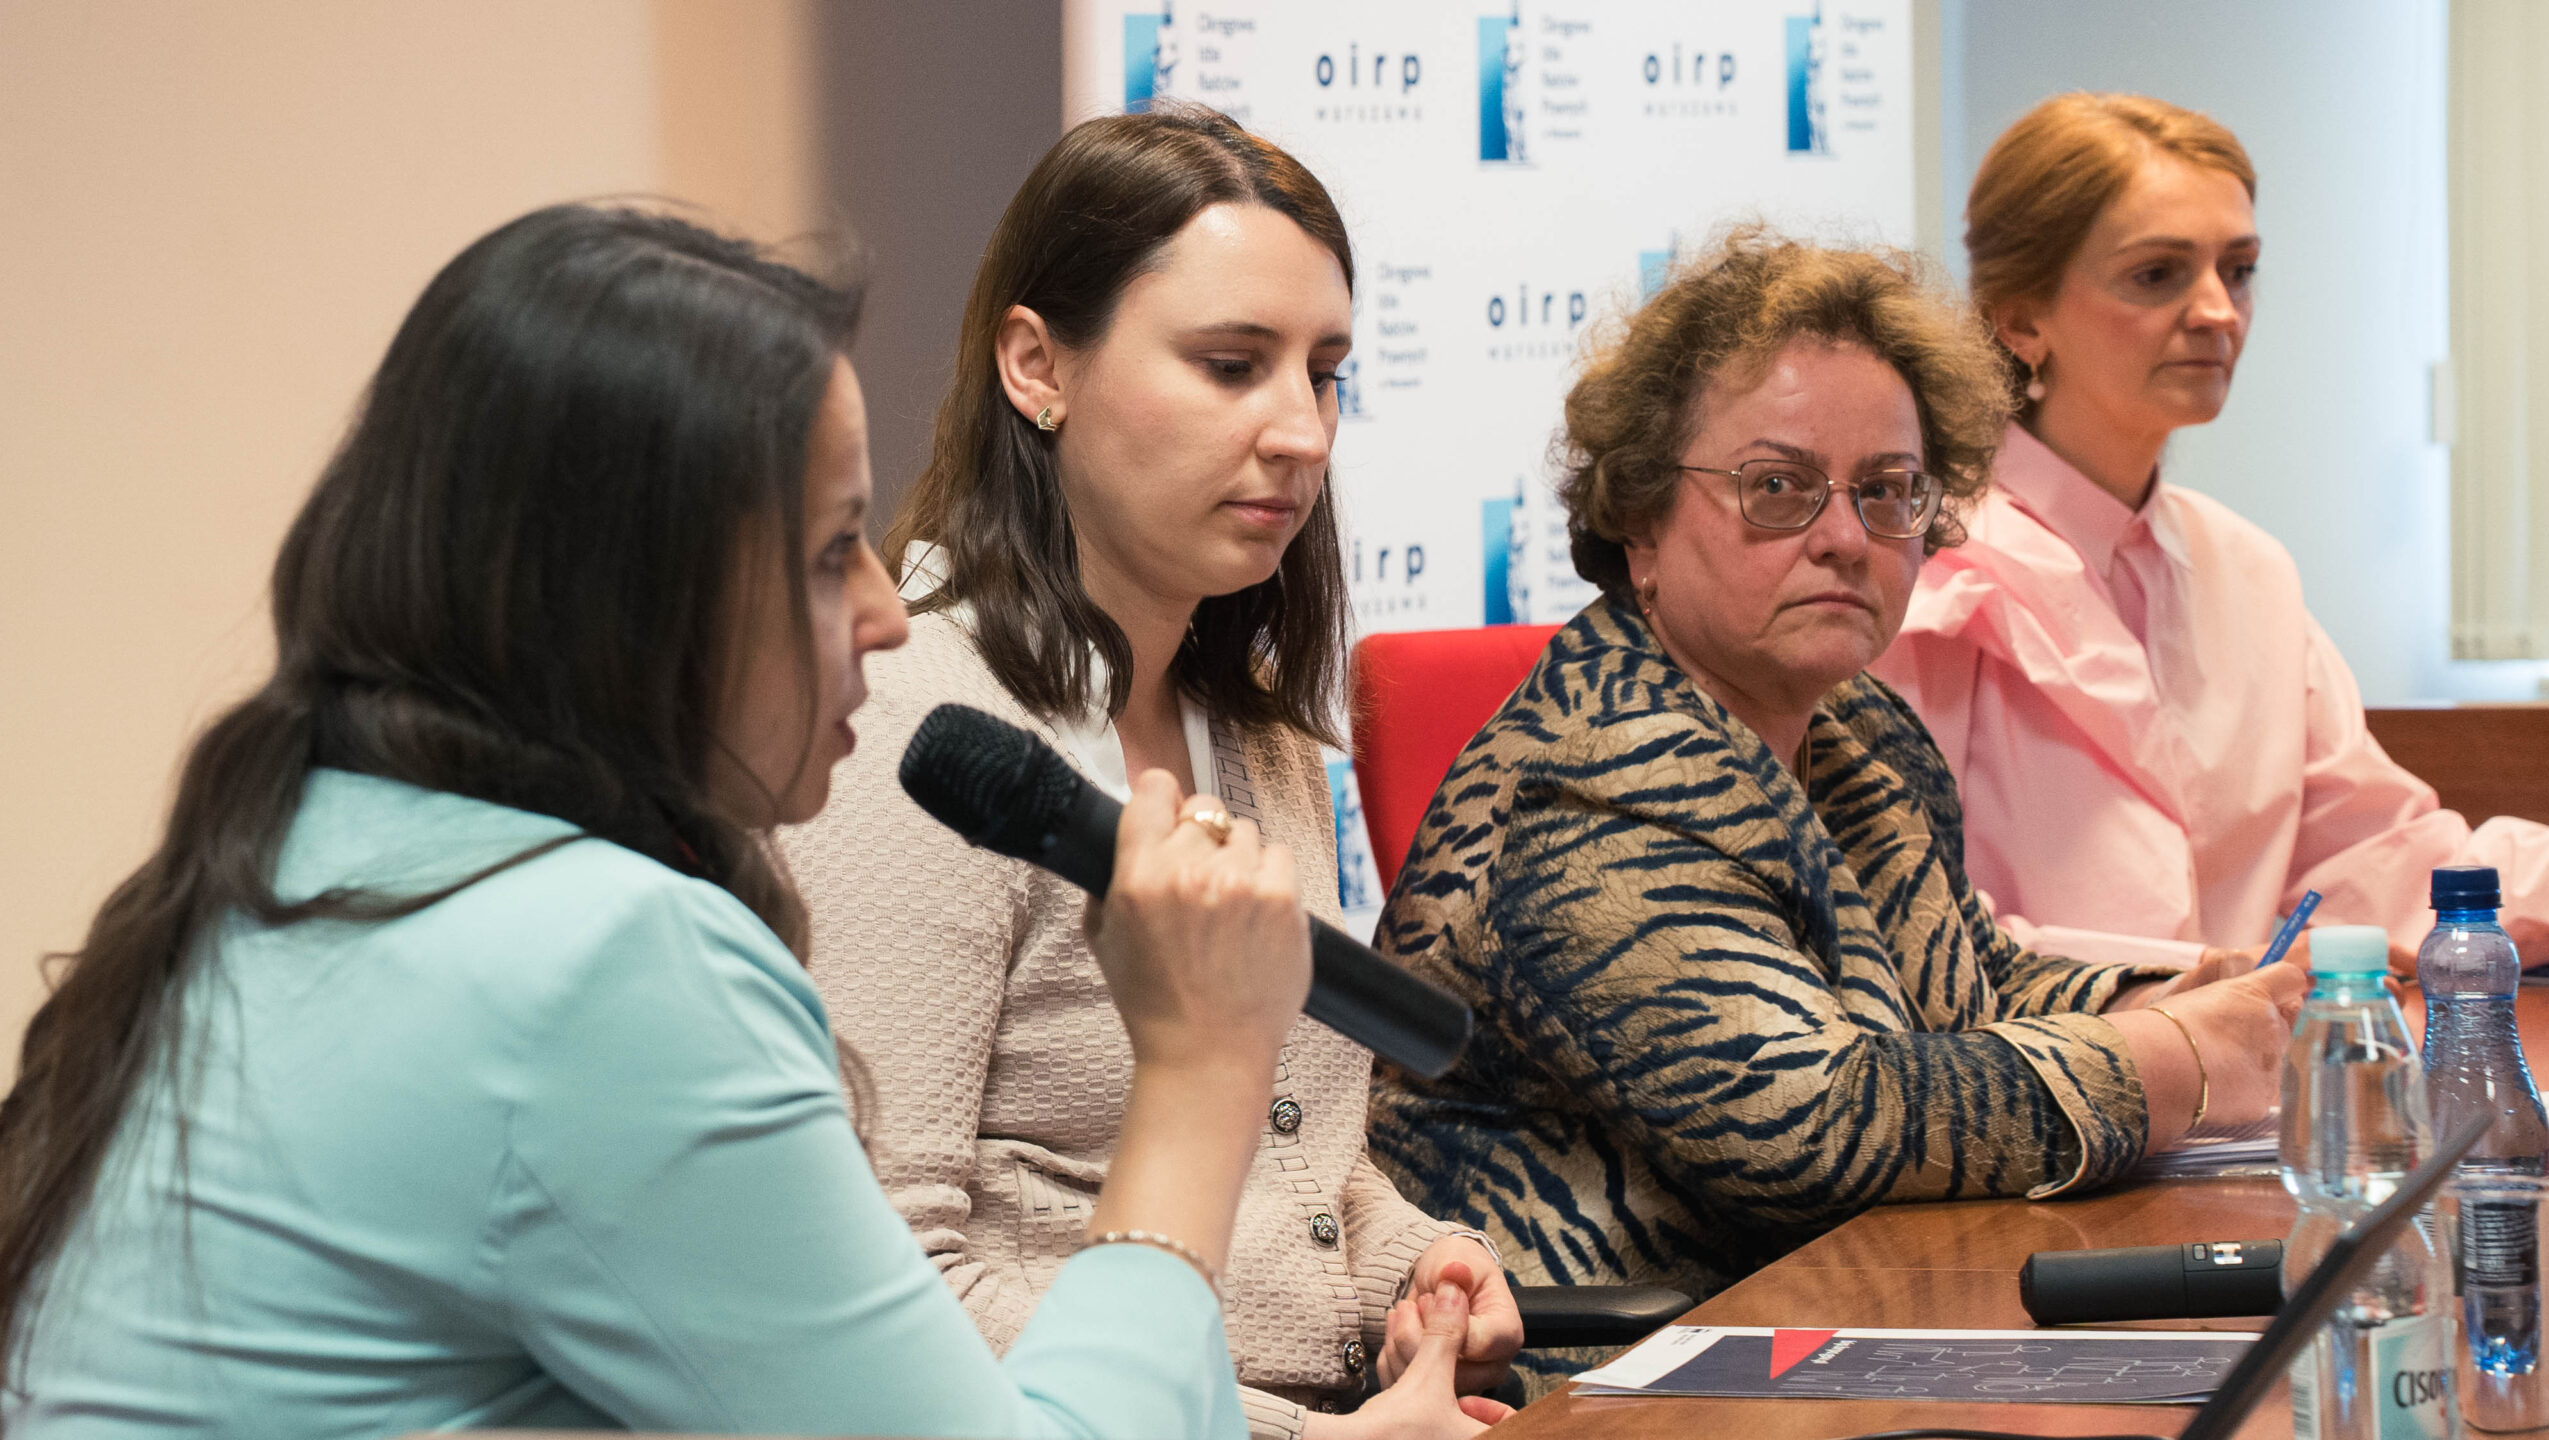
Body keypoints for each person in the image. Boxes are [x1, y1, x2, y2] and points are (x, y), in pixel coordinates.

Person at [0, 202, 1513, 1438]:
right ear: (627, 597)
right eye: (831, 549)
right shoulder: (598, 960)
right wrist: (1198, 1068)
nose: (882, 612)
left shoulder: (322, 842)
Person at [1364, 228, 2309, 1393]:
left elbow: (1970, 984)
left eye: (1888, 492)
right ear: (1642, 524)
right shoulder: (1594, 779)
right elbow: (1812, 1128)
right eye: (1778, 489)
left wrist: (2175, 997)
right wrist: (2178, 1063)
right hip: (1607, 1376)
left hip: (1835, 1313)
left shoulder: (1856, 729)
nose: (1846, 539)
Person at [781, 107, 1519, 1440]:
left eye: (1324, 373)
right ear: (1036, 366)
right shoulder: (906, 727)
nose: (1301, 432)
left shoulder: (1261, 737)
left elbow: (1292, 1153)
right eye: (1232, 366)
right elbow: (888, 1286)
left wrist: (1413, 1262)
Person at [1869, 92, 2549, 971]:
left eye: (2238, 270)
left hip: (2241, 1053)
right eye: (2157, 274)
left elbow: (2377, 865)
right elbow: (1919, 927)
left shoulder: (2248, 571)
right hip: (2033, 1058)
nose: (2219, 311)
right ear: (2021, 318)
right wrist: (2205, 993)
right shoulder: (1920, 571)